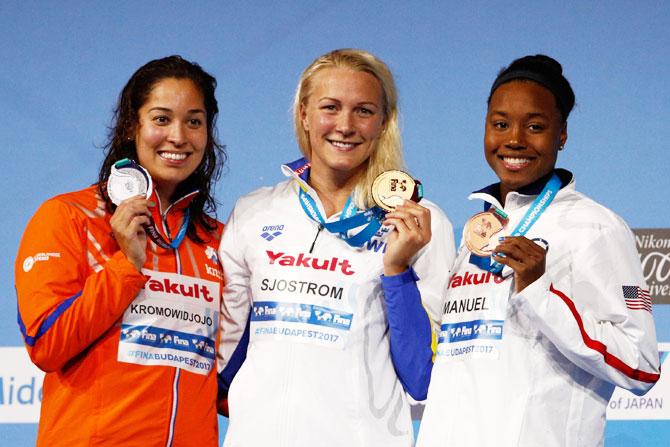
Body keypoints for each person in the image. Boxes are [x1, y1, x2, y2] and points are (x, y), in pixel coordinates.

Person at [416, 55, 661, 446]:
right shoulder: (476, 232)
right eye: (500, 124)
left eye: (535, 126)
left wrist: (539, 292)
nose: (514, 139)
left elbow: (642, 365)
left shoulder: (596, 228)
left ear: (561, 135)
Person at [216, 48, 455, 446]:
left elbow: (423, 378)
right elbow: (226, 356)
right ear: (305, 115)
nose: (345, 125)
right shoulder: (255, 211)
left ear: (383, 122)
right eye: (330, 107)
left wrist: (397, 272)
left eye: (363, 111)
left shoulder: (419, 223)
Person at [15, 55, 226, 446]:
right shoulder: (69, 217)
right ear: (133, 125)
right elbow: (47, 343)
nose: (179, 136)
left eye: (194, 121)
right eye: (161, 119)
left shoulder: (217, 239)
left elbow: (227, 379)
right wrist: (125, 265)